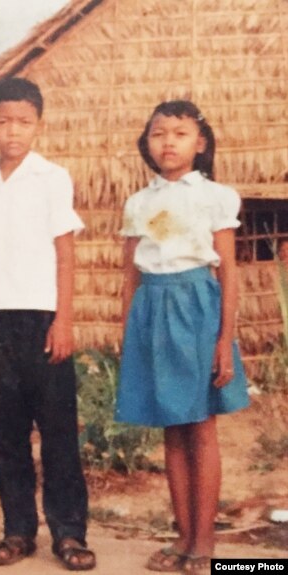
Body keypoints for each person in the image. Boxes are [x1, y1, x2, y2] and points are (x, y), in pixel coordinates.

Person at [0, 77, 95, 571]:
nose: (13, 131)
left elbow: (65, 254)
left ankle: (70, 533)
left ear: (39, 124)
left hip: (42, 318)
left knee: (58, 431)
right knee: (8, 434)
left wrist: (64, 320)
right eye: (3, 121)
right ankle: (17, 531)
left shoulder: (51, 178)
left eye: (23, 122)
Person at [117, 100, 249, 575]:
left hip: (198, 310)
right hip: (152, 311)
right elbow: (130, 274)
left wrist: (223, 340)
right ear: (146, 143)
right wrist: (128, 331)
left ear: (201, 143)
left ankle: (205, 546)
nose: (168, 142)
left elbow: (229, 273)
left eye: (179, 133)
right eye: (158, 133)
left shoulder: (215, 196)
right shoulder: (138, 203)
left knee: (200, 427)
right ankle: (181, 538)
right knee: (171, 427)